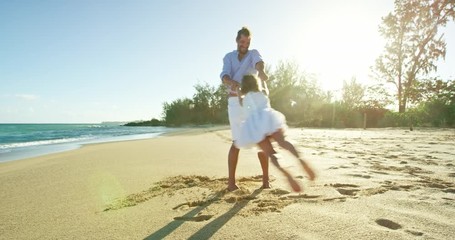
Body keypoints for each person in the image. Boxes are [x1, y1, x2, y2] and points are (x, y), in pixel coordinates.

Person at [235, 75, 316, 192]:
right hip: (268, 119)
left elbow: (240, 102)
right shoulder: (263, 92)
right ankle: (301, 159)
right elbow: (266, 89)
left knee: (271, 153)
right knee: (283, 142)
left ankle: (287, 174)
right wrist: (263, 80)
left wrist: (238, 90)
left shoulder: (244, 98)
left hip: (255, 126)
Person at [220, 27, 270, 191]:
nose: (245, 45)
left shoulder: (253, 53)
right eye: (242, 41)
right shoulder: (228, 57)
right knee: (236, 142)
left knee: (262, 138)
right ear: (237, 41)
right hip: (234, 101)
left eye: (247, 42)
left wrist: (261, 71)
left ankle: (265, 181)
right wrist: (232, 83)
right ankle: (231, 184)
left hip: (253, 101)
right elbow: (224, 76)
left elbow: (259, 62)